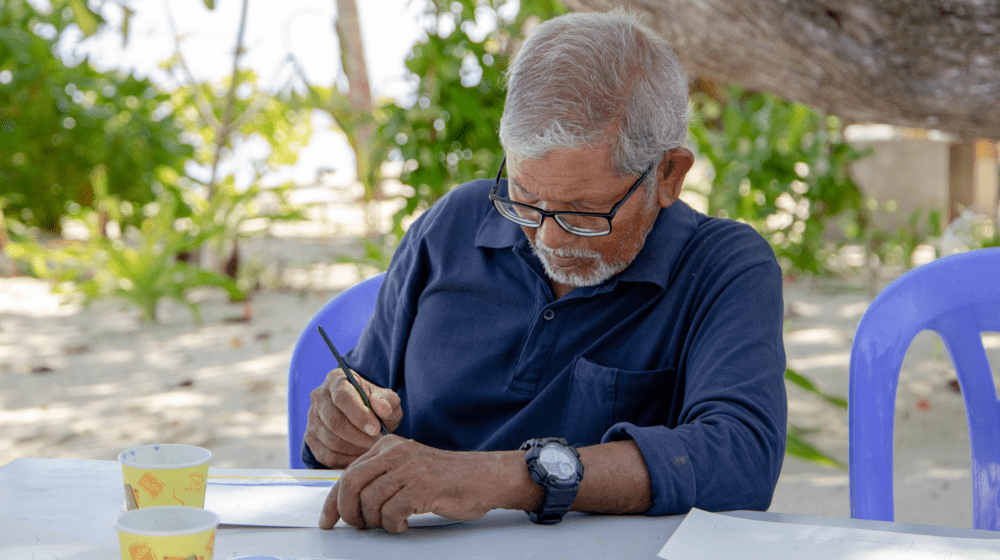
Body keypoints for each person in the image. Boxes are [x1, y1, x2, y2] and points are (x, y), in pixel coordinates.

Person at [303, 9, 787, 533]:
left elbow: (741, 456)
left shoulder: (722, 266)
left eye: (584, 213)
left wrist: (497, 478)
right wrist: (338, 426)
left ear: (668, 174)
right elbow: (361, 404)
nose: (550, 240)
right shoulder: (452, 226)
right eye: (526, 200)